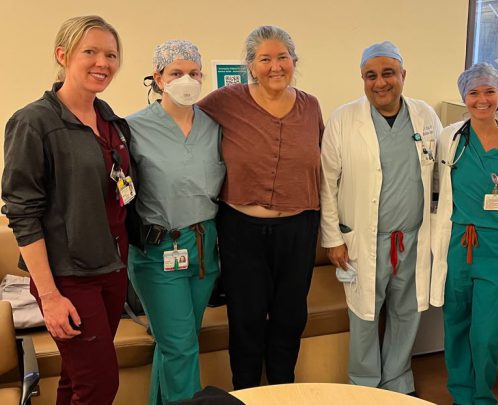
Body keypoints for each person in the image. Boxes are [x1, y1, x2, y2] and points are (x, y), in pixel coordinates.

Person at [1, 15, 131, 404]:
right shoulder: (34, 122)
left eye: (111, 54)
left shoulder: (110, 120)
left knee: (76, 379)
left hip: (112, 267)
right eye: (89, 51)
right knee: (99, 384)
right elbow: (23, 212)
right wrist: (50, 295)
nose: (102, 62)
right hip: (69, 277)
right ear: (63, 55)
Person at [197, 25, 323, 389]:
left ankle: (282, 389)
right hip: (241, 230)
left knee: (290, 317)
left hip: (299, 228)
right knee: (247, 317)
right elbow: (184, 126)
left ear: (294, 61)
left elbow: (323, 165)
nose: (275, 66)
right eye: (264, 59)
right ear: (250, 66)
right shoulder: (225, 100)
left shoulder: (310, 105)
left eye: (282, 57)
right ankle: (247, 393)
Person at [319, 41, 442, 394]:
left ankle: (398, 384)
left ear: (403, 75)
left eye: (388, 73)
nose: (380, 82)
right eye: (370, 76)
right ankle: (364, 387)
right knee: (364, 316)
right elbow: (326, 182)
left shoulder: (424, 116)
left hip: (413, 238)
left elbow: (437, 177)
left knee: (407, 313)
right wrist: (333, 238)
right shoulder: (344, 118)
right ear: (362, 79)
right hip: (362, 240)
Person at [126, 39, 225, 404]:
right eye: (177, 73)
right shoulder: (132, 128)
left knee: (176, 343)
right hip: (158, 250)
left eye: (195, 73)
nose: (188, 80)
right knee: (180, 346)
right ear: (158, 78)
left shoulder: (215, 126)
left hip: (205, 248)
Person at [429, 63, 498, 405]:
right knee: (455, 322)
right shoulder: (450, 137)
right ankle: (460, 393)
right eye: (474, 92)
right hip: (458, 241)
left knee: (486, 332)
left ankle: (482, 396)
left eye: (489, 91)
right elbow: (437, 187)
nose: (482, 99)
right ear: (464, 97)